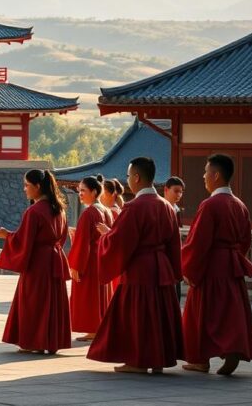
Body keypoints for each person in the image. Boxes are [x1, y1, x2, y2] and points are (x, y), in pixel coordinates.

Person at [87, 156, 183, 374]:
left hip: (140, 268)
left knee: (138, 315)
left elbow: (121, 242)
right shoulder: (167, 207)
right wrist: (176, 271)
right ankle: (158, 359)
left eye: (130, 175)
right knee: (159, 314)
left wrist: (105, 237)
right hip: (162, 268)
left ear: (137, 177)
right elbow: (174, 244)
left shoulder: (134, 207)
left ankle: (137, 361)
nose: (129, 179)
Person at [181, 154, 252, 376]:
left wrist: (189, 268)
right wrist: (233, 257)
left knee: (202, 311)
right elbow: (245, 240)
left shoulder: (210, 204)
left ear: (216, 175)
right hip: (231, 265)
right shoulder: (240, 205)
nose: (204, 177)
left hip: (211, 265)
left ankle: (199, 359)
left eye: (206, 172)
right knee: (230, 312)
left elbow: (198, 241)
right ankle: (231, 348)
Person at [0, 169, 71, 355]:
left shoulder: (34, 211)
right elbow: (61, 238)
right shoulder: (59, 209)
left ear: (37, 186)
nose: (24, 189)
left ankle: (33, 342)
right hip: (54, 259)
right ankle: (51, 341)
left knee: (33, 303)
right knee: (52, 302)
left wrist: (7, 236)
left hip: (38, 262)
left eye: (27, 185)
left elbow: (24, 240)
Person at [67, 176, 114, 341]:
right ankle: (98, 326)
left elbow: (83, 242)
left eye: (83, 191)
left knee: (90, 295)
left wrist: (75, 266)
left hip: (89, 260)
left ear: (94, 192)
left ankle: (93, 328)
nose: (80, 194)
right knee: (100, 294)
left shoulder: (89, 213)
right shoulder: (106, 210)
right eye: (79, 190)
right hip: (101, 257)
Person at [163, 176, 185, 301]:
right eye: (176, 191)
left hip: (175, 254)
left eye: (181, 192)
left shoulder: (176, 210)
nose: (179, 194)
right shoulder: (160, 207)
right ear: (166, 189)